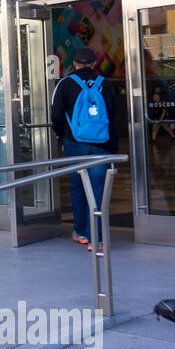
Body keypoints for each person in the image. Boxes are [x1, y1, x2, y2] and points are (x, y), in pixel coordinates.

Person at [50, 47, 119, 250]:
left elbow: (56, 116)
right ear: (94, 64)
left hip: (74, 143)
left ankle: (80, 232)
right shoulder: (104, 84)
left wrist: (62, 136)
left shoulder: (65, 84)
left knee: (78, 188)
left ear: (74, 64)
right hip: (101, 144)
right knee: (98, 190)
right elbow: (112, 113)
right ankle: (96, 238)